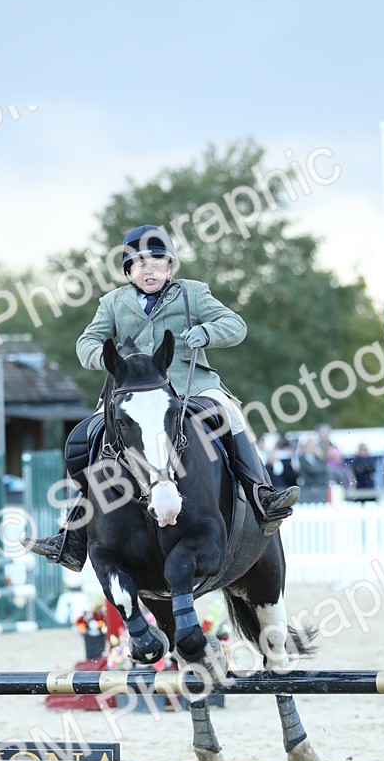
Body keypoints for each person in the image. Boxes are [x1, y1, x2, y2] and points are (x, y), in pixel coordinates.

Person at [30, 224, 300, 571]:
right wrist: (109, 361)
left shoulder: (193, 293)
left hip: (191, 384)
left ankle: (262, 496)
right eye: (140, 264)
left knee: (231, 414)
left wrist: (207, 331)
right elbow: (86, 343)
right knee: (84, 438)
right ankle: (73, 534)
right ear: (129, 271)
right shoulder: (113, 303)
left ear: (170, 266)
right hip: (134, 392)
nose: (150, 269)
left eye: (157, 262)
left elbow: (235, 325)